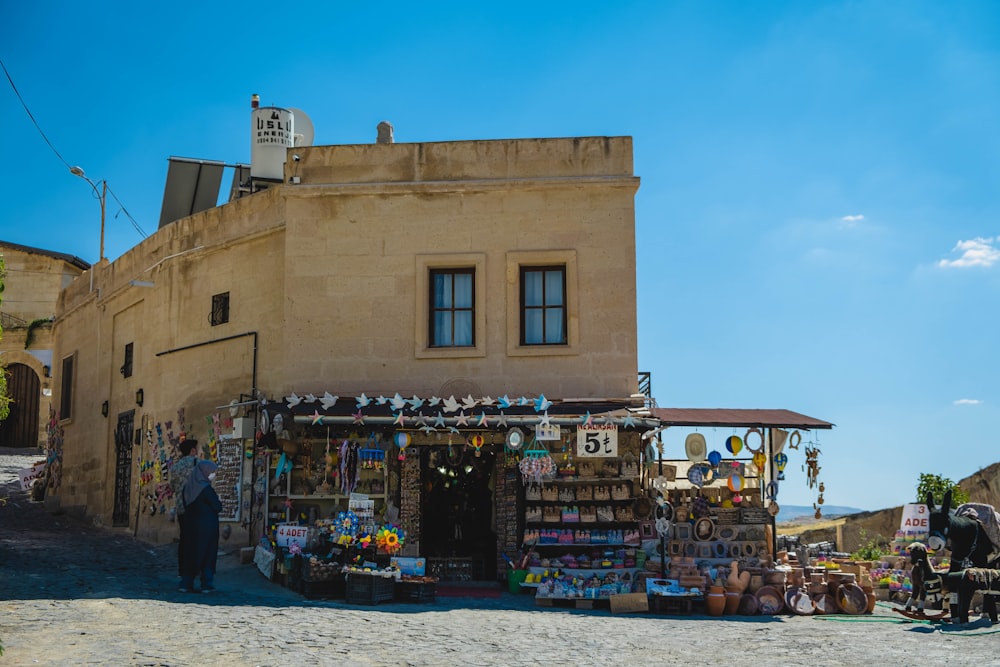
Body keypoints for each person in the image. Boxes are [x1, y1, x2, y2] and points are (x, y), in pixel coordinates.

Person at [178, 460, 222, 593]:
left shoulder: (187, 488)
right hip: (207, 527)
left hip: (190, 526)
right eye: (211, 472)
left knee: (190, 554)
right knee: (207, 554)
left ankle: (186, 583)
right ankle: (206, 584)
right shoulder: (206, 489)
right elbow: (217, 506)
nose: (212, 475)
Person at [169, 437, 199, 580]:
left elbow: (173, 487)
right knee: (196, 539)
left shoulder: (175, 468)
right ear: (192, 450)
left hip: (182, 508)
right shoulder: (197, 465)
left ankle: (182, 569)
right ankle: (194, 569)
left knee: (184, 538)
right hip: (196, 507)